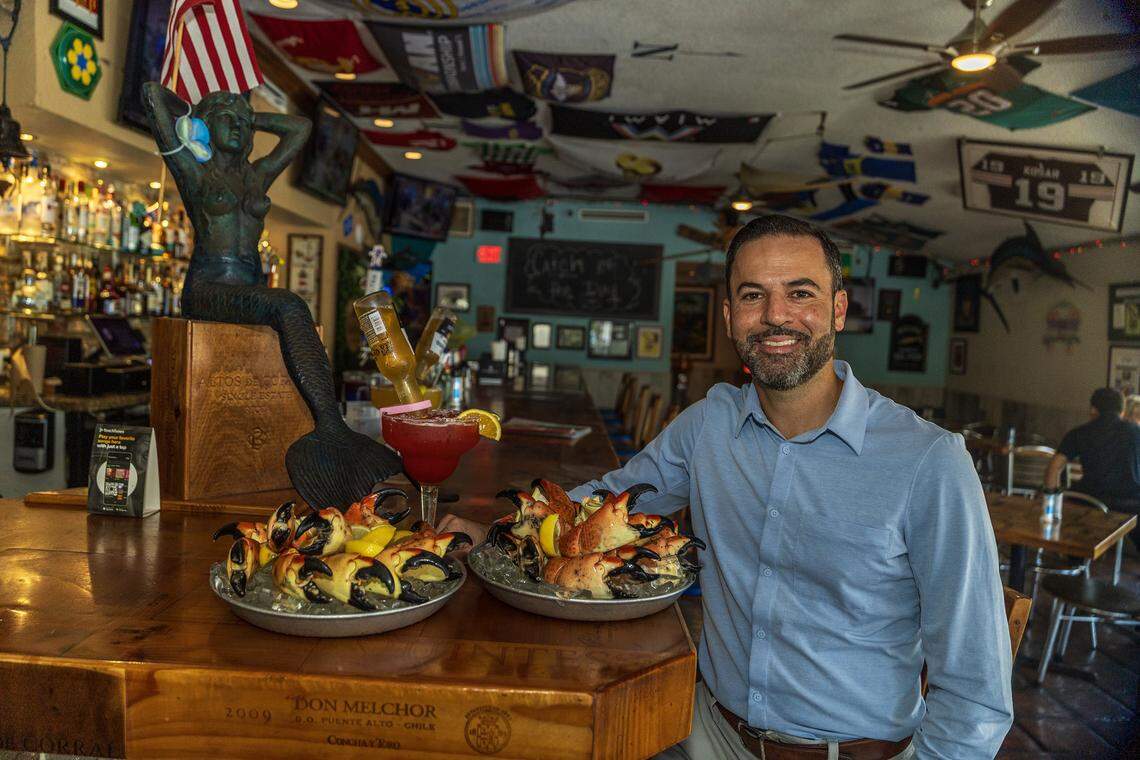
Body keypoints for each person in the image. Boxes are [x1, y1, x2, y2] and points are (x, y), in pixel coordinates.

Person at [440, 215, 1013, 758]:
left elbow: (976, 688)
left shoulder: (929, 462)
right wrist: (491, 533)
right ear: (729, 315)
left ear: (839, 309)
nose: (775, 316)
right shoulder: (708, 426)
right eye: (752, 295)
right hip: (706, 731)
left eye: (801, 292)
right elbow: (596, 510)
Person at [1045, 388, 1140, 549]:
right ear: (1122, 410)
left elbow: (1054, 467)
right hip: (1130, 506)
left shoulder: (1079, 433)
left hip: (1091, 502)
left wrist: (1050, 501)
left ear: (1093, 409)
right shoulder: (1135, 432)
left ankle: (1075, 560)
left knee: (1072, 514)